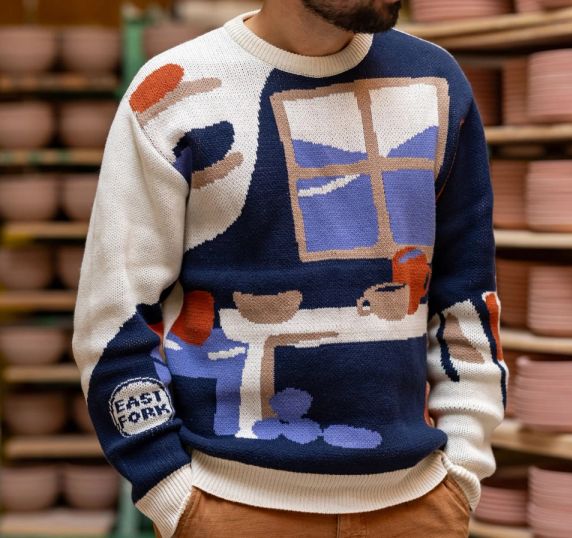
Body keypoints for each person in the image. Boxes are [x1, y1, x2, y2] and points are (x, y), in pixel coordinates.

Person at [71, 0, 508, 536]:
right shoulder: (176, 92)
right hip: (228, 506)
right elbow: (112, 317)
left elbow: (467, 302)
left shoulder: (436, 81)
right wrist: (169, 489)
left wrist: (463, 469)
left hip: (417, 505)